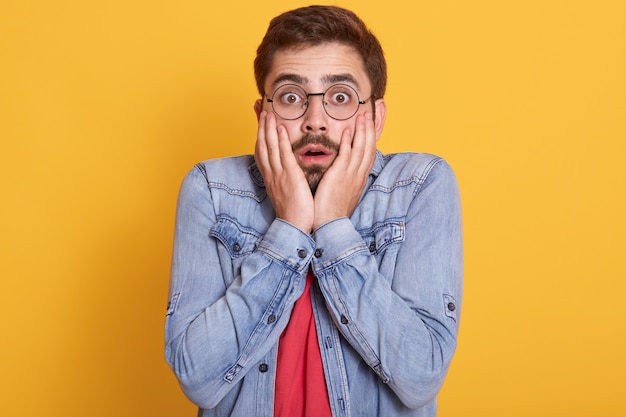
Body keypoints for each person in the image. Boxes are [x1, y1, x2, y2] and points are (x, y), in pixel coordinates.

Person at [165, 5, 463, 417]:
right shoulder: (213, 190)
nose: (315, 121)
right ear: (262, 116)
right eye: (291, 97)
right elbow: (196, 377)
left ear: (375, 117)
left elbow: (421, 375)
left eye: (340, 97)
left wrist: (333, 226)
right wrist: (288, 227)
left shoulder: (419, 185)